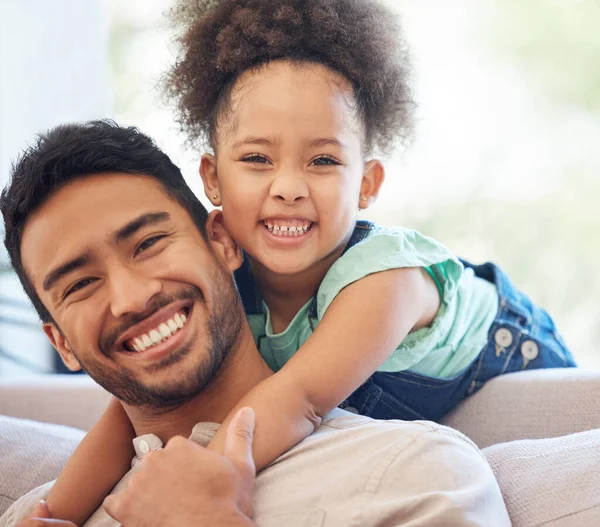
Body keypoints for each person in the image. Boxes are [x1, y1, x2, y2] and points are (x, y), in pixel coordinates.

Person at [24, 0, 575, 524]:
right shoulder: (218, 286)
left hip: (518, 367)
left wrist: (199, 481)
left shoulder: (385, 279)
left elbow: (305, 400)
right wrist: (55, 514)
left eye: (323, 160)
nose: (288, 187)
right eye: (258, 159)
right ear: (212, 179)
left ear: (366, 184)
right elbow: (123, 417)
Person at [0, 120, 510, 526]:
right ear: (61, 344)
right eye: (80, 285)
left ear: (222, 242)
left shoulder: (415, 472)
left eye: (149, 243)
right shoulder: (36, 517)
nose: (131, 299)